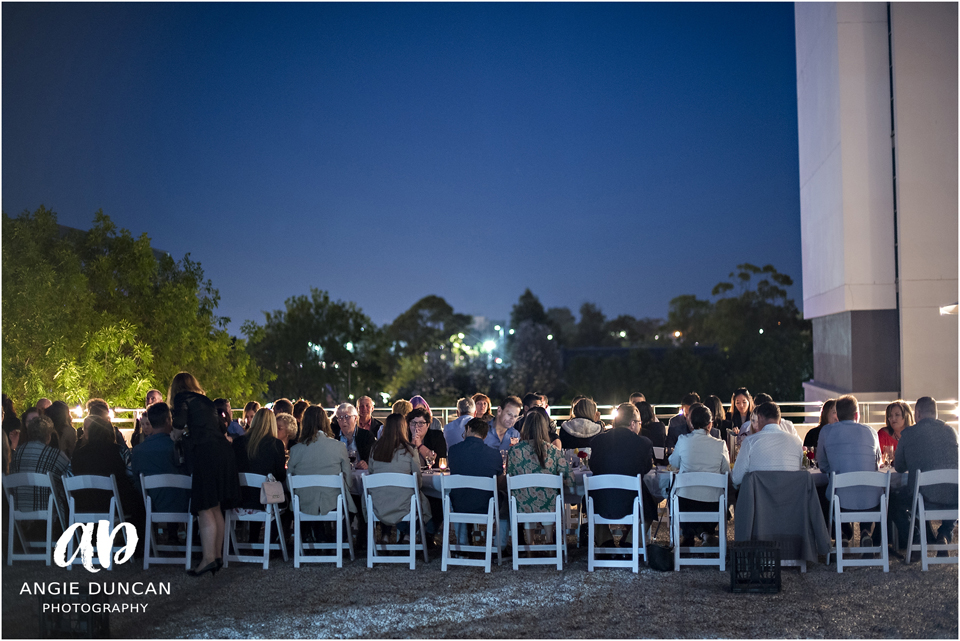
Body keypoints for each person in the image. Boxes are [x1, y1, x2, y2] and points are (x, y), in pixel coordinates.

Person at [170, 372, 241, 576]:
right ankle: (217, 556)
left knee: (204, 506)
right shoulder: (206, 401)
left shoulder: (182, 398)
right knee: (216, 505)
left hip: (206, 452)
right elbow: (219, 426)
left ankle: (208, 558)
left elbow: (179, 424)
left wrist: (174, 435)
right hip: (223, 452)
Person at [890, 397, 958, 553]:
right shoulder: (951, 431)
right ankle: (944, 534)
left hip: (923, 498)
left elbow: (899, 467)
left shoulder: (908, 433)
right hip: (954, 497)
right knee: (952, 492)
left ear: (917, 413)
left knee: (892, 501)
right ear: (936, 412)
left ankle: (915, 538)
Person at [816, 394, 882, 549]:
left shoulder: (826, 432)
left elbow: (823, 465)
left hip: (841, 500)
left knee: (828, 493)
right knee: (867, 490)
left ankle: (843, 535)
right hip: (871, 500)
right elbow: (876, 465)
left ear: (837, 415)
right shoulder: (871, 432)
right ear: (857, 414)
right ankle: (866, 533)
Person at [589, 403, 656, 549]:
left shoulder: (598, 441)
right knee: (649, 508)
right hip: (631, 500)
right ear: (632, 424)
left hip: (602, 500)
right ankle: (630, 543)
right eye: (639, 423)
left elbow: (593, 467)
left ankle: (605, 541)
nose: (640, 426)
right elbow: (645, 468)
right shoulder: (643, 443)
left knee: (590, 501)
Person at [288, 404, 356, 543]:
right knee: (346, 501)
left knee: (312, 498)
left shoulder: (295, 450)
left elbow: (290, 484)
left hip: (303, 503)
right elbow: (348, 483)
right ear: (326, 422)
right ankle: (340, 542)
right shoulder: (338, 447)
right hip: (332, 502)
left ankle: (314, 538)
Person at [506, 410, 574, 545]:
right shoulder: (553, 451)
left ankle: (530, 544)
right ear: (544, 428)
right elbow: (570, 479)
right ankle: (549, 541)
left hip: (522, 507)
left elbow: (509, 476)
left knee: (524, 498)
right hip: (549, 506)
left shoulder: (515, 451)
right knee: (548, 498)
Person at [71, 415, 144, 536]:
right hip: (115, 505)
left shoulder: (77, 454)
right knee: (141, 503)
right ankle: (136, 546)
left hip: (83, 505)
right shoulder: (120, 451)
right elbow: (131, 474)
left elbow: (70, 476)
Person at [669, 404, 731, 547]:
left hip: (686, 502)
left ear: (691, 423)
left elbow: (673, 462)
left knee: (680, 498)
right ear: (710, 424)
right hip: (713, 503)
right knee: (713, 497)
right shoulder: (720, 444)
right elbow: (726, 471)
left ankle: (690, 535)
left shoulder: (683, 440)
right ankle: (705, 533)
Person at [368, 413, 433, 543]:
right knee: (422, 502)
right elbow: (417, 481)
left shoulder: (375, 449)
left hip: (378, 504)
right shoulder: (409, 450)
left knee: (388, 492)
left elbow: (371, 473)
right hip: (404, 506)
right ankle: (409, 534)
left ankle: (386, 536)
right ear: (403, 428)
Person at [447, 417, 508, 547]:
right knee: (506, 500)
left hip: (459, 505)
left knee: (461, 495)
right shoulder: (494, 454)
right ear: (485, 436)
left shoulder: (453, 451)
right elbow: (500, 481)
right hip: (486, 506)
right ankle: (500, 545)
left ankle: (462, 544)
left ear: (468, 429)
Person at [132, 402, 189, 514]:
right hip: (184, 505)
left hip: (152, 506)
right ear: (168, 420)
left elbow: (137, 482)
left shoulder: (138, 450)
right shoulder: (180, 446)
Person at [731, 402, 803, 488]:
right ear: (779, 420)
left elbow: (736, 478)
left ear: (760, 418)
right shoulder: (796, 442)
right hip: (790, 498)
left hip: (759, 499)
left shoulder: (750, 442)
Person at [9, 415, 70, 513]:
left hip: (19, 511)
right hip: (50, 513)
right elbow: (69, 477)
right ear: (48, 436)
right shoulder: (56, 456)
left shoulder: (16, 454)